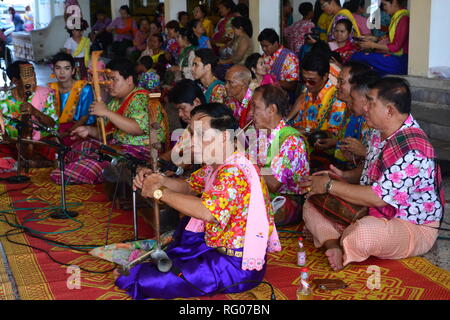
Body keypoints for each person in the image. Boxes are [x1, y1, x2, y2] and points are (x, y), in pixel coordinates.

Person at [116, 103, 281, 299]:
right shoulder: (220, 164)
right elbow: (188, 186)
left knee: (141, 279)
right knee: (167, 257)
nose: (192, 142)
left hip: (234, 267)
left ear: (225, 136)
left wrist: (159, 192)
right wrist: (158, 180)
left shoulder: (234, 171)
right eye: (192, 134)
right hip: (216, 251)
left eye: (200, 135)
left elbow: (206, 212)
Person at [300, 77, 444, 272]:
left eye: (371, 102)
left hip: (410, 225)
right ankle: (334, 245)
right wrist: (341, 176)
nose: (365, 107)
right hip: (370, 210)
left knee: (364, 233)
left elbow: (377, 197)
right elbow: (370, 169)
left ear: (390, 110)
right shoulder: (379, 132)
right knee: (311, 200)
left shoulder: (414, 150)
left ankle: (341, 237)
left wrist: (330, 186)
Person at [50, 58, 168, 185]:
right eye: (107, 79)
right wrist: (88, 130)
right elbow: (108, 134)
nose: (109, 84)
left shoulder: (141, 98)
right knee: (82, 146)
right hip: (118, 148)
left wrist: (106, 112)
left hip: (139, 153)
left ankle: (82, 169)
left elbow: (137, 128)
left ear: (129, 80)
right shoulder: (115, 103)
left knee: (62, 173)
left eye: (114, 79)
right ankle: (79, 165)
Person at [251, 85, 310, 227]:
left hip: (285, 202)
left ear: (271, 109)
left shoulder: (291, 141)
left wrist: (246, 160)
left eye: (255, 107)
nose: (251, 113)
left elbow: (273, 184)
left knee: (244, 215)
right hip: (264, 197)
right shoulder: (263, 135)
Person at [287, 53, 347, 170]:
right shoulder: (308, 92)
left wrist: (305, 132)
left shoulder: (336, 99)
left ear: (325, 77)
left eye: (312, 81)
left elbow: (331, 136)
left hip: (322, 160)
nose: (307, 85)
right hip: (301, 151)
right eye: (304, 80)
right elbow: (298, 122)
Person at [0, 61, 59, 166]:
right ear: (15, 81)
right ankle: (25, 163)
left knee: (51, 147)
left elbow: (53, 125)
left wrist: (35, 112)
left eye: (34, 76)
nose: (34, 81)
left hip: (38, 143)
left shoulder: (44, 94)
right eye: (28, 78)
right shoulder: (3, 99)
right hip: (13, 144)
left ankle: (21, 163)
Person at [48, 52, 96, 147]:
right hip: (57, 128)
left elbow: (84, 117)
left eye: (67, 68)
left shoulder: (84, 88)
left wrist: (67, 133)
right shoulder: (50, 89)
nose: (62, 72)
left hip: (79, 128)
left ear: (73, 71)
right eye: (58, 68)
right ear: (53, 70)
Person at [352, 0, 409, 75]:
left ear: (394, 2)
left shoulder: (403, 19)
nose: (384, 8)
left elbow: (395, 47)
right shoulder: (397, 17)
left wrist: (372, 45)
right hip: (396, 58)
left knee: (357, 57)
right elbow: (392, 38)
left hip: (400, 61)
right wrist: (375, 39)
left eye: (385, 4)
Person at [258, 28, 299, 94]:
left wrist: (273, 81)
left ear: (275, 43)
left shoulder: (290, 57)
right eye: (262, 46)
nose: (263, 49)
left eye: (266, 46)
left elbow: (293, 85)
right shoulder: (265, 56)